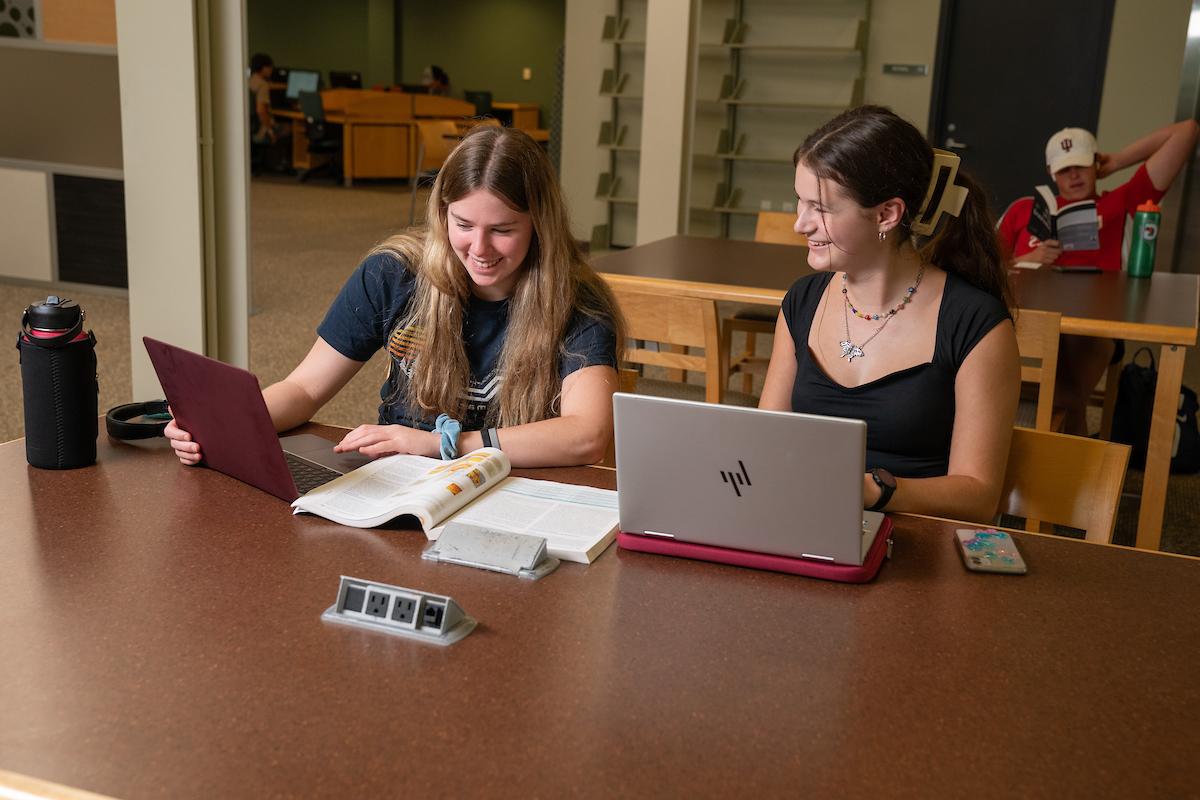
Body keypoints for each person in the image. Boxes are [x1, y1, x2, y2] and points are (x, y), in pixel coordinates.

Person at [165, 126, 625, 468]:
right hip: (400, 487)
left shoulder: (578, 303)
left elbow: (587, 435)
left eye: (502, 230)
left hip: (512, 487)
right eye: (463, 225)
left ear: (539, 225)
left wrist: (445, 446)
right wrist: (218, 423)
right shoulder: (393, 274)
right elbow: (304, 389)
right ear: (442, 213)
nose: (479, 249)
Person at [759, 105, 1020, 523]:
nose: (800, 224)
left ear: (887, 214)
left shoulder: (975, 323)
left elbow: (978, 495)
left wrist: (871, 490)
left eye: (820, 209)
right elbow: (765, 442)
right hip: (807, 525)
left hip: (918, 543)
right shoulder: (801, 302)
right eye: (800, 202)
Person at [997, 120, 1199, 435]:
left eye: (1081, 165)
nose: (1074, 175)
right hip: (1027, 320)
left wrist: (1116, 161)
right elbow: (984, 265)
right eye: (1065, 170)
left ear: (1095, 165)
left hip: (1091, 327)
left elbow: (1186, 131)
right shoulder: (1024, 210)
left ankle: (1068, 475)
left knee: (1065, 394)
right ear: (1051, 173)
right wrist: (1026, 258)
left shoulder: (1121, 202)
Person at [248, 52, 277, 144]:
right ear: (264, 68)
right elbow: (261, 111)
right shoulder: (263, 85)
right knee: (288, 129)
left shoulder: (249, 81)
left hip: (250, 127)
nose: (271, 70)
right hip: (260, 130)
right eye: (270, 67)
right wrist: (270, 130)